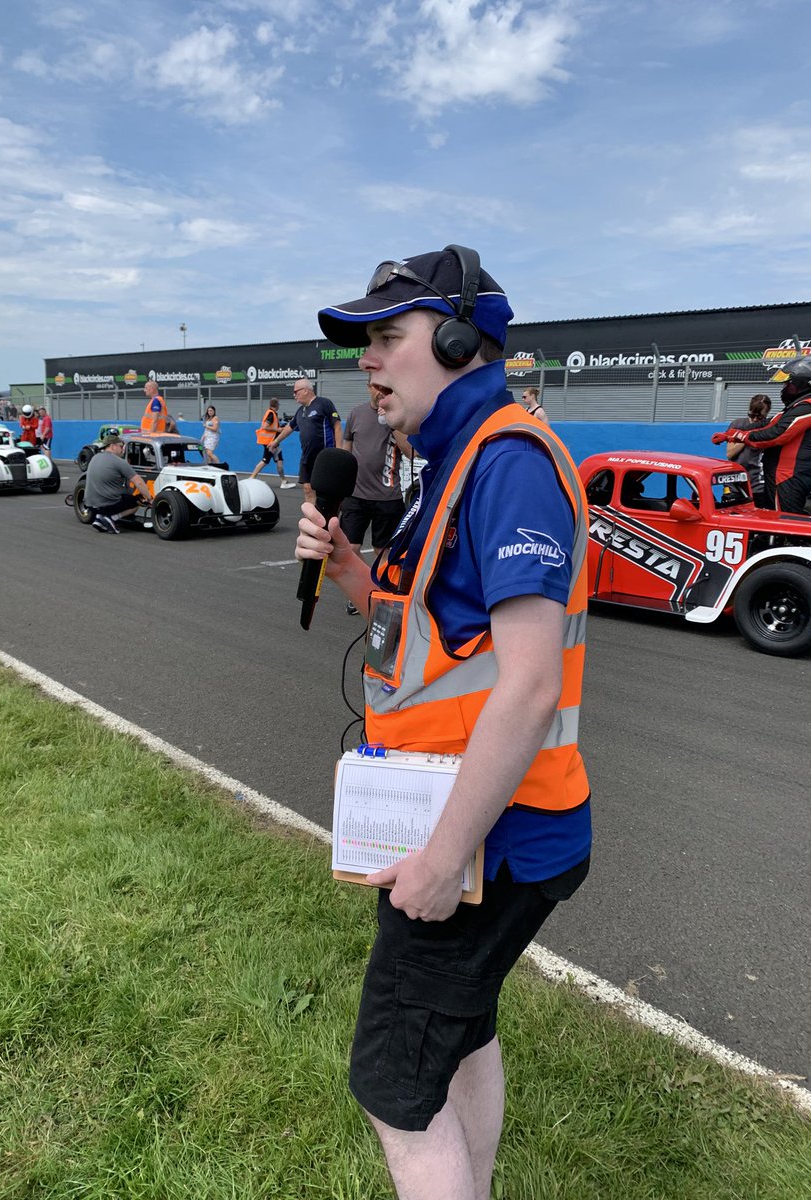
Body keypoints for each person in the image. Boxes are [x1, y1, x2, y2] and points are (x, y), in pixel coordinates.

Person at [297, 246, 591, 1200]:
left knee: (392, 1087)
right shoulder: (454, 459)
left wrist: (437, 860)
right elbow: (439, 644)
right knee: (464, 1035)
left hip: (487, 840)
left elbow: (531, 685)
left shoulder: (504, 461)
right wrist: (352, 575)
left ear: (463, 340)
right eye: (364, 344)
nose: (369, 363)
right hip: (474, 826)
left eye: (389, 337)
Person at [712, 357, 811, 512]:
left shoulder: (807, 407)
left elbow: (777, 434)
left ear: (801, 384)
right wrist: (731, 434)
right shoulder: (796, 407)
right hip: (779, 476)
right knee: (772, 518)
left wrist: (741, 436)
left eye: (788, 383)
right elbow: (769, 423)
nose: (784, 387)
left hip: (788, 477)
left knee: (784, 523)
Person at [340, 380, 405, 614]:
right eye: (376, 387)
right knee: (351, 546)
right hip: (355, 494)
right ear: (368, 388)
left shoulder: (398, 415)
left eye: (385, 389)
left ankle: (383, 593)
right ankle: (361, 591)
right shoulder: (356, 413)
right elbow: (345, 450)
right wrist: (340, 483)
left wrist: (392, 421)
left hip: (387, 496)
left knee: (382, 551)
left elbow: (408, 450)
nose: (380, 392)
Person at [267, 377, 341, 504]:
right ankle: (312, 519)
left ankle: (329, 519)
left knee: (326, 491)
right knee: (307, 488)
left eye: (296, 392)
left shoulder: (324, 403)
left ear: (306, 390)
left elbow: (337, 426)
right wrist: (276, 441)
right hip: (307, 456)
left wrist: (340, 452)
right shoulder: (300, 411)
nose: (294, 395)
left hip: (324, 455)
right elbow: (290, 427)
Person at [83, 434, 153, 533]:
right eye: (120, 446)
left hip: (90, 505)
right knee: (138, 501)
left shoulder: (94, 458)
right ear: (112, 446)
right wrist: (150, 499)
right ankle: (111, 518)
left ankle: (99, 518)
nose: (122, 450)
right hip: (107, 504)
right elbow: (139, 482)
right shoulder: (119, 462)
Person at [721, 394, 771, 506]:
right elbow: (730, 453)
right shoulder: (738, 424)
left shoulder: (768, 428)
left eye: (759, 417)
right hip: (735, 482)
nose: (754, 420)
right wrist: (746, 436)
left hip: (757, 485)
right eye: (752, 415)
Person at [250, 397, 295, 487]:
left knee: (279, 460)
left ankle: (284, 481)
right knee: (265, 460)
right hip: (270, 442)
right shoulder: (271, 414)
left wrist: (280, 426)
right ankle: (252, 478)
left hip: (272, 442)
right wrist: (278, 429)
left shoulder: (272, 413)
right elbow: (265, 426)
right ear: (277, 405)